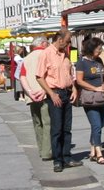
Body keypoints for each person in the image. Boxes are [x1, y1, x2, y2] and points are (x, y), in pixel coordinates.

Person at [36, 30, 82, 173]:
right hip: (55, 93)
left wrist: (74, 89)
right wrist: (51, 93)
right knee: (56, 129)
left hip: (67, 93)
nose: (69, 44)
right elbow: (39, 76)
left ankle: (67, 157)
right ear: (60, 39)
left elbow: (69, 74)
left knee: (67, 128)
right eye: (68, 41)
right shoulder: (46, 53)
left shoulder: (65, 54)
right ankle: (57, 160)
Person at [75, 37, 104, 164]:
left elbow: (103, 76)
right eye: (99, 49)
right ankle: (99, 153)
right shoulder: (82, 62)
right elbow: (79, 81)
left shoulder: (99, 60)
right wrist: (95, 88)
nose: (100, 51)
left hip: (101, 97)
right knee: (96, 125)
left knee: (99, 124)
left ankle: (93, 150)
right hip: (89, 98)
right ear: (91, 48)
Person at [19, 36, 52, 162]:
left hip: (32, 96)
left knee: (37, 123)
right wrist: (45, 90)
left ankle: (41, 149)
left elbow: (22, 77)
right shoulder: (46, 55)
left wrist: (30, 92)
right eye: (48, 43)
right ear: (44, 44)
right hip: (45, 94)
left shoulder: (27, 58)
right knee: (47, 123)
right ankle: (47, 151)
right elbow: (49, 75)